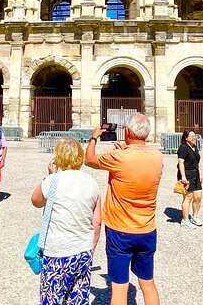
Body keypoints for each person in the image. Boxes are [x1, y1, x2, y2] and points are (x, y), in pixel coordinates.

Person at [85, 113, 163, 305]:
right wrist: (127, 150)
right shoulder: (157, 157)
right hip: (146, 229)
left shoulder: (118, 157)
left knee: (119, 288)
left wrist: (94, 137)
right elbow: (136, 161)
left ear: (127, 131)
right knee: (148, 284)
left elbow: (89, 160)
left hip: (120, 231)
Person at [31, 138, 101, 304]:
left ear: (58, 158)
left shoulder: (53, 180)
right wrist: (91, 249)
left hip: (57, 252)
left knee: (52, 298)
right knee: (77, 299)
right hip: (82, 251)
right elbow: (97, 222)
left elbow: (36, 201)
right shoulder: (91, 182)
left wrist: (49, 176)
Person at [177, 129, 203, 229]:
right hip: (187, 174)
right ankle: (185, 220)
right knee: (188, 197)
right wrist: (183, 176)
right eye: (192, 136)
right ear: (186, 138)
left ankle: (195, 216)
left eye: (195, 136)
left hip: (196, 174)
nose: (194, 138)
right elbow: (181, 162)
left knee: (198, 197)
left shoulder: (194, 147)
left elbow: (199, 161)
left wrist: (201, 174)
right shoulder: (183, 148)